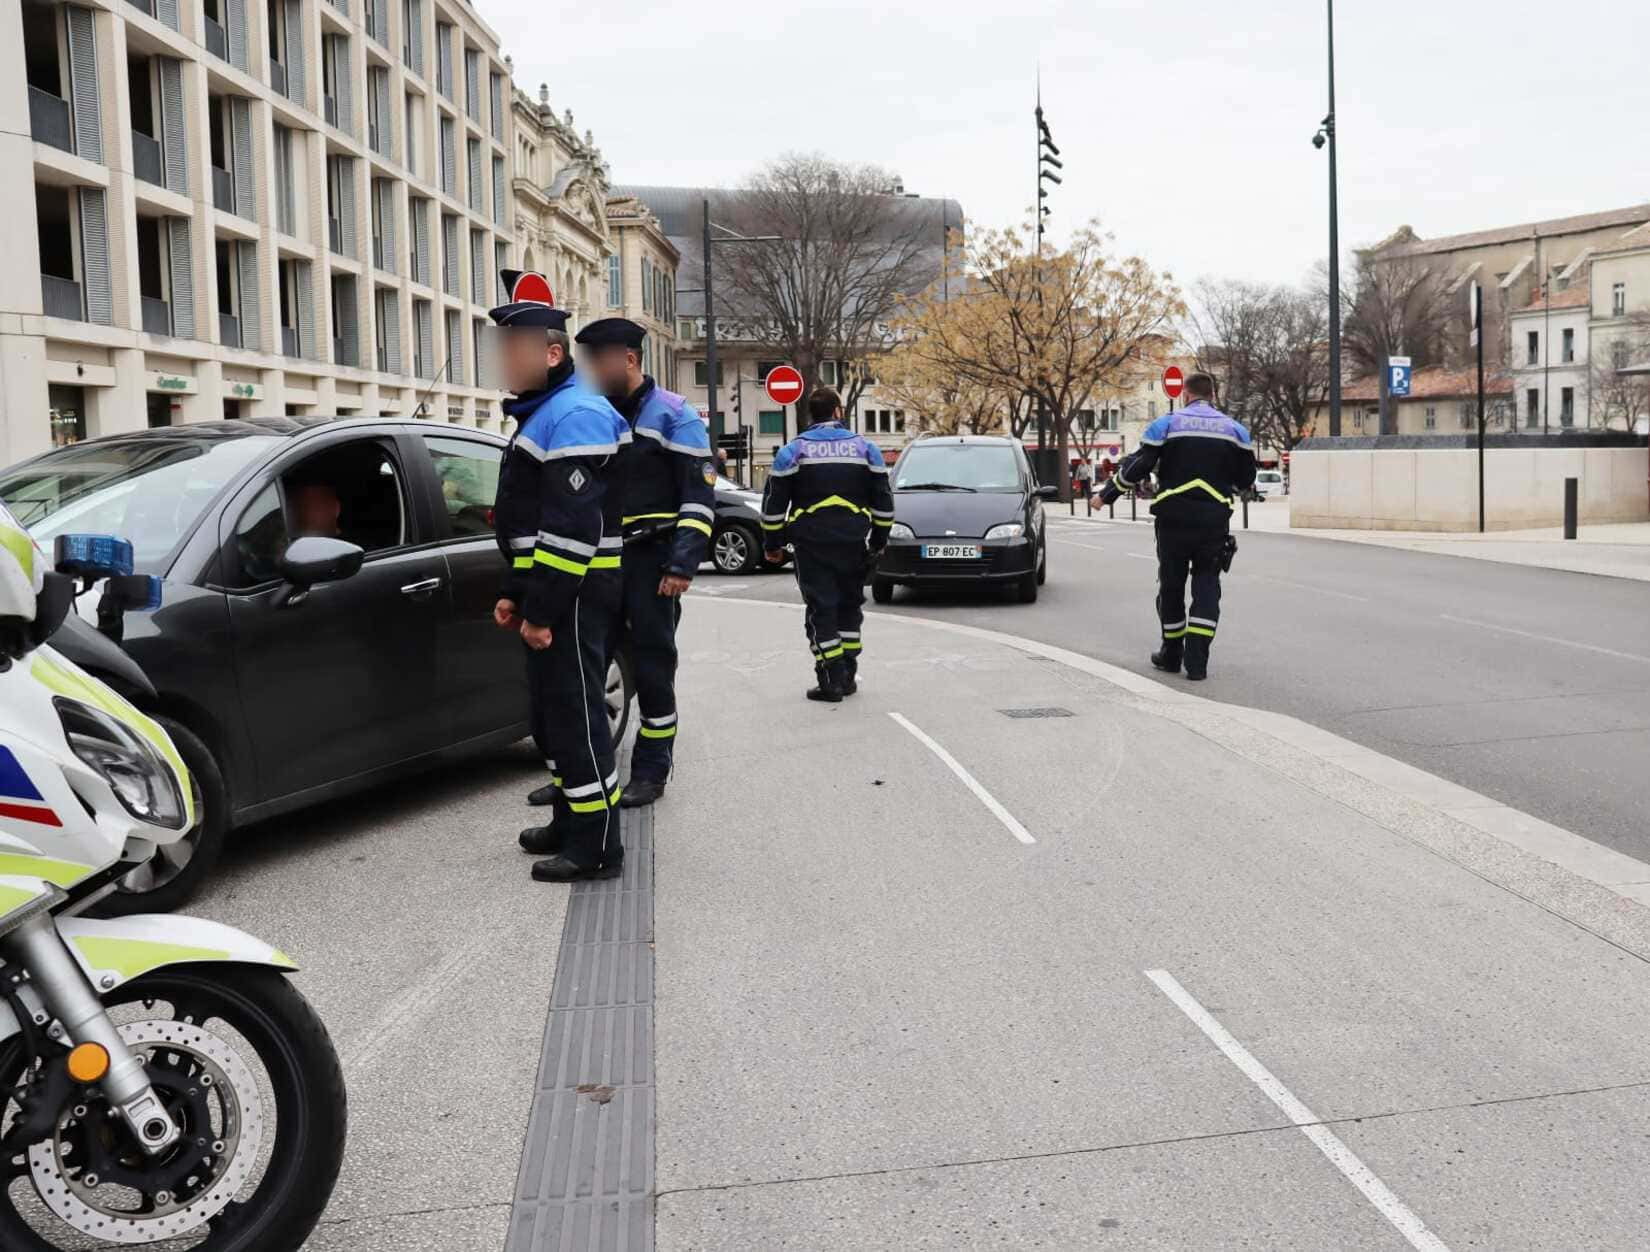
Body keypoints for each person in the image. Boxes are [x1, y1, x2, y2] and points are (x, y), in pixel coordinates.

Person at [487, 270, 631, 882]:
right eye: (501, 349)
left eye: (516, 350)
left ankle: (597, 844)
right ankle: (573, 818)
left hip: (574, 594)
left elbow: (570, 533)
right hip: (554, 593)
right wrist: (516, 594)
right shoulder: (546, 412)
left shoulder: (574, 414)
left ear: (551, 353)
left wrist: (542, 610)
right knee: (554, 716)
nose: (504, 361)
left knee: (577, 718)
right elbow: (533, 525)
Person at [571, 316, 715, 808]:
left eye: (596, 360)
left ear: (628, 360)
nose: (588, 369)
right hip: (599, 562)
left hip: (653, 563)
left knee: (653, 669)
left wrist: (681, 565)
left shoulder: (676, 415)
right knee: (588, 668)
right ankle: (584, 771)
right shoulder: (589, 413)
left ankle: (652, 770)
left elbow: (699, 499)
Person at [1096, 371, 1254, 681]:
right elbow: (1246, 479)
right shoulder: (1235, 430)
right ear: (1213, 395)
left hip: (1173, 520)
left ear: (1185, 394)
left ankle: (1171, 655)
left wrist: (1107, 494)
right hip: (1213, 520)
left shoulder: (1167, 424)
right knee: (1207, 586)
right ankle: (1197, 663)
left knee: (1171, 586)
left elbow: (1139, 466)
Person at [759, 387, 894, 702]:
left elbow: (774, 507)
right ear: (837, 412)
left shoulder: (792, 452)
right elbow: (884, 503)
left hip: (811, 543)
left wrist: (773, 543)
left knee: (822, 608)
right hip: (853, 542)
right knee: (849, 605)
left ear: (811, 415)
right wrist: (879, 540)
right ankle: (847, 674)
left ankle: (830, 679)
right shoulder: (866, 449)